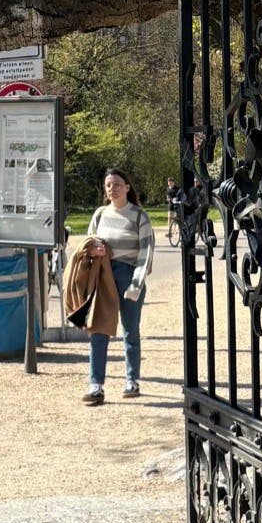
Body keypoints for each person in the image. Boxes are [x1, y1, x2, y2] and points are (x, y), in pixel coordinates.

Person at [82, 168, 154, 404]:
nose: (112, 189)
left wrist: (136, 283)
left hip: (129, 275)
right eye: (108, 185)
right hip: (104, 276)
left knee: (130, 330)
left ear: (127, 187)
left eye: (116, 184)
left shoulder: (139, 216)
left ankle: (132, 380)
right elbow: (88, 243)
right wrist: (93, 249)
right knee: (99, 330)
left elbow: (146, 252)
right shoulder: (100, 214)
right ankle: (96, 385)